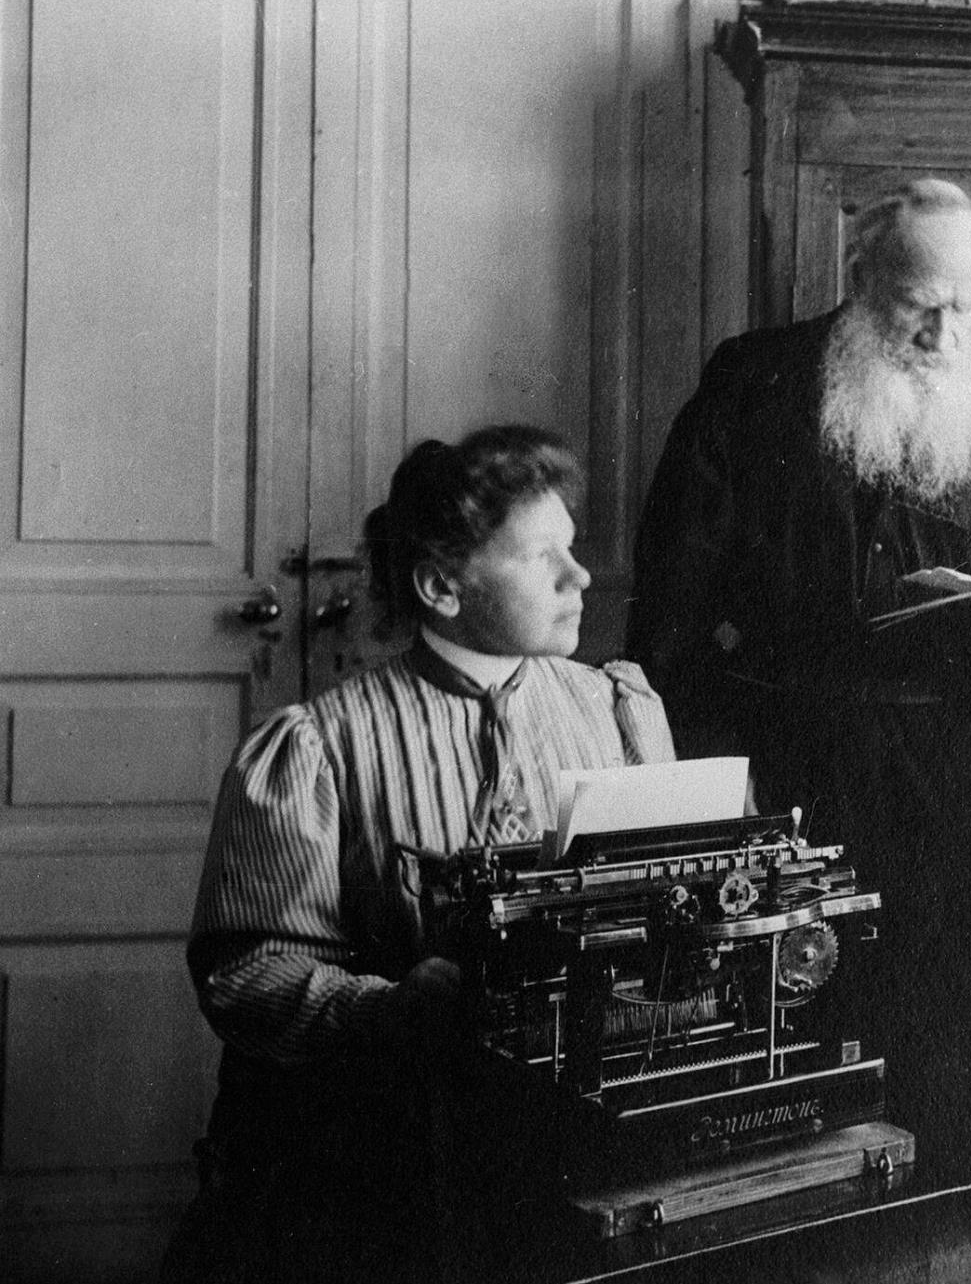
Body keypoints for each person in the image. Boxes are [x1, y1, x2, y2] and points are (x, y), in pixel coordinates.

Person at [627, 178, 971, 1163]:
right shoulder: (755, 378)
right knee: (792, 1037)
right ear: (863, 276)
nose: (944, 334)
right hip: (795, 763)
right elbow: (670, 604)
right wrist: (703, 775)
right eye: (919, 303)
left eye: (968, 306)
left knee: (947, 1038)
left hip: (953, 774)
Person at [165, 425, 676, 1284]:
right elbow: (246, 971)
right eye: (542, 556)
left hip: (590, 1131)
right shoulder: (322, 745)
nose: (580, 576)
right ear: (440, 586)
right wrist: (385, 1008)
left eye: (573, 547)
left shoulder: (616, 708)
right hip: (399, 1165)